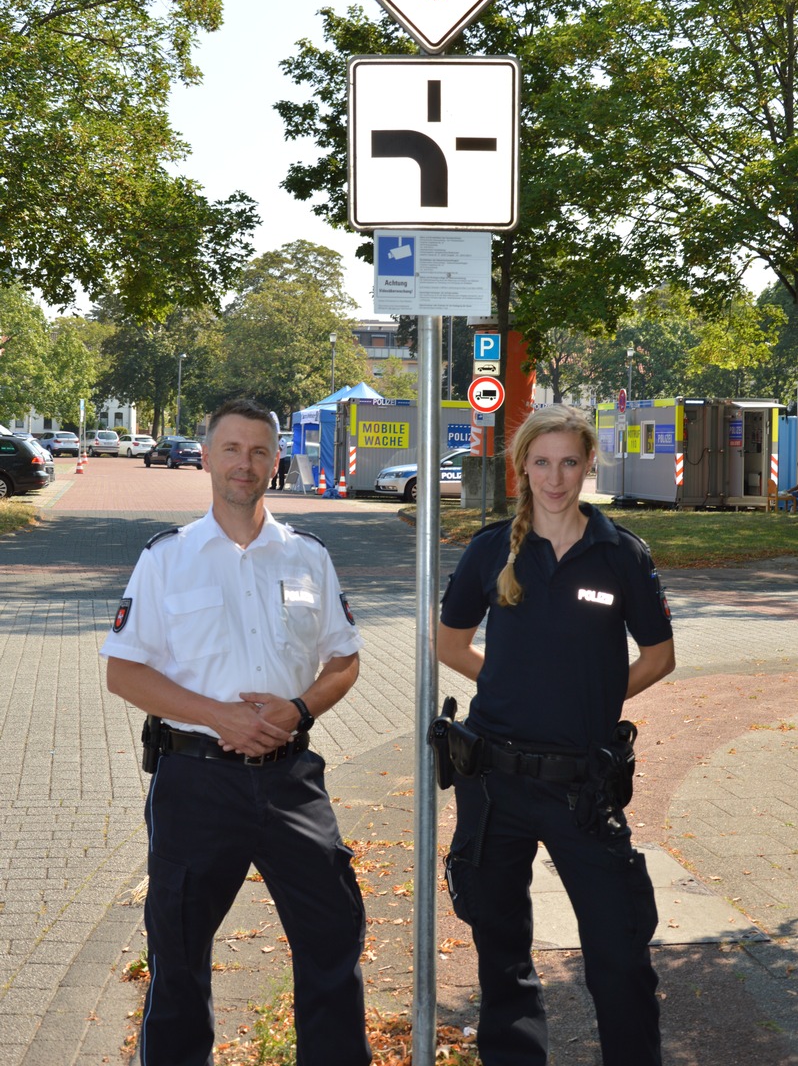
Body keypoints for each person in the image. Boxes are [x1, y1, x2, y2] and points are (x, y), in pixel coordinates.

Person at [102, 398, 371, 1066]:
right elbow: (124, 671)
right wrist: (218, 713)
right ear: (207, 455)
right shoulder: (168, 558)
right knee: (179, 954)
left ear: (276, 461)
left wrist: (298, 710)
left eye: (259, 451)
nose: (244, 464)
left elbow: (344, 659)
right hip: (195, 780)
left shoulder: (308, 557)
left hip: (290, 780)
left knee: (333, 940)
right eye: (231, 449)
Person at [437, 404, 675, 1066]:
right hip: (494, 783)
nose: (555, 476)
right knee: (502, 958)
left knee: (620, 955)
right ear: (522, 468)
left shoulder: (621, 553)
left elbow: (658, 657)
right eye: (541, 462)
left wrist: (590, 698)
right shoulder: (491, 549)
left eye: (569, 462)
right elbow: (450, 643)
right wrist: (511, 685)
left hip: (584, 788)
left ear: (588, 465)